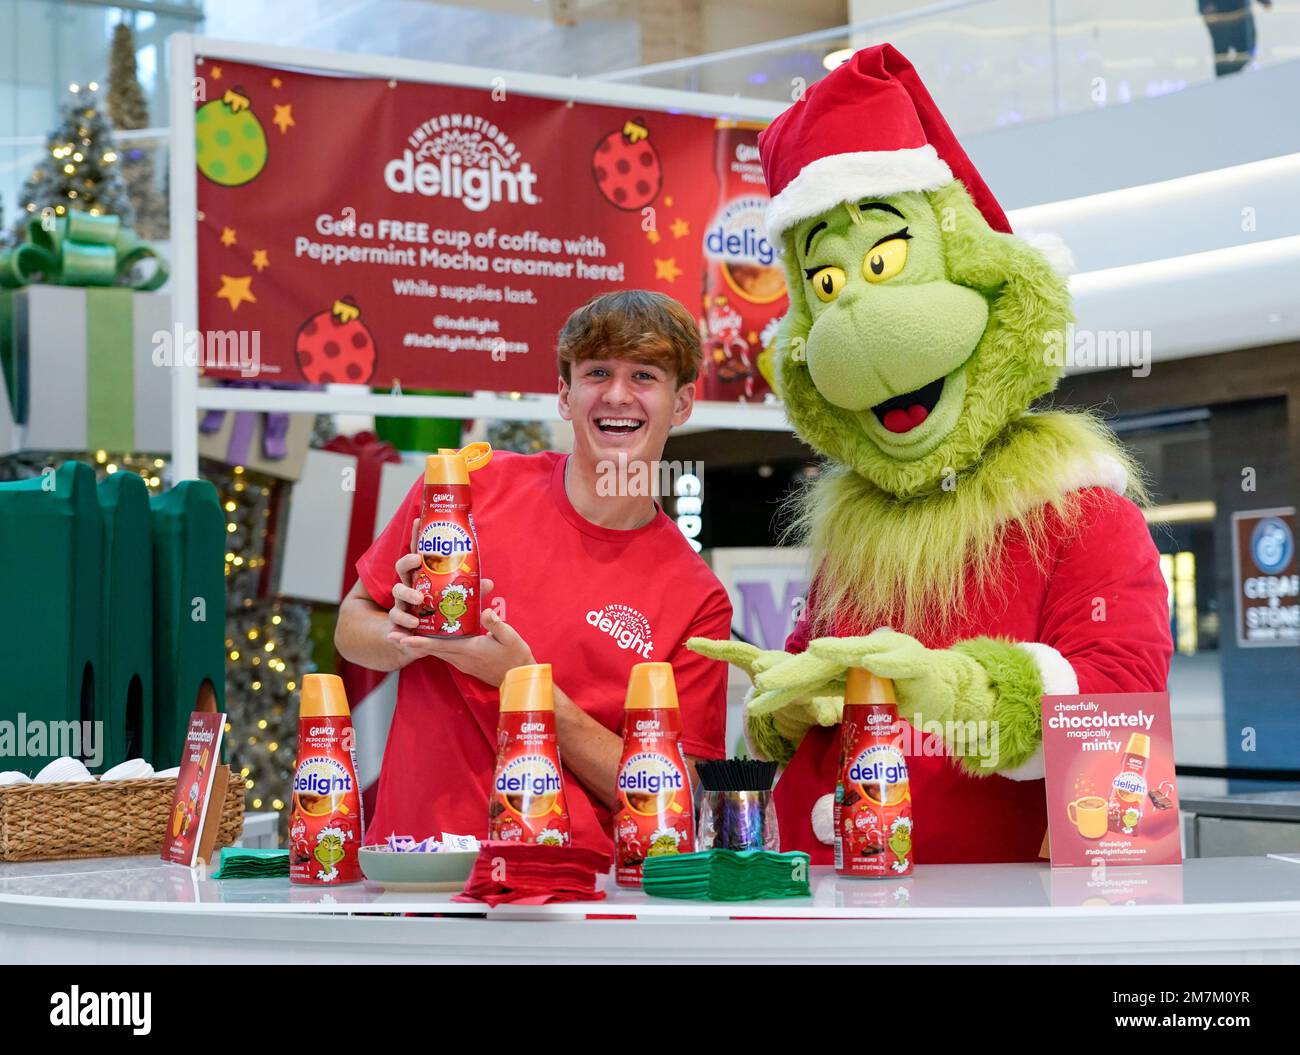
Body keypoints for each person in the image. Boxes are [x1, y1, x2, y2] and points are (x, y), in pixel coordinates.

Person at [335, 290, 732, 858]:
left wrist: (525, 686)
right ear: (566, 397)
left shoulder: (697, 598)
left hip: (572, 889)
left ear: (683, 402)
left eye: (644, 376)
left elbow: (682, 794)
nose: (617, 395)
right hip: (419, 862)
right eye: (597, 372)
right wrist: (403, 637)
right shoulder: (463, 490)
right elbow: (352, 625)